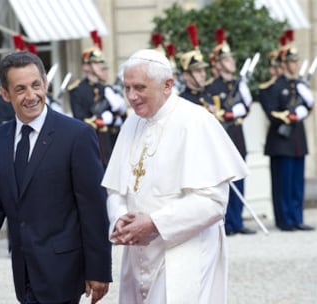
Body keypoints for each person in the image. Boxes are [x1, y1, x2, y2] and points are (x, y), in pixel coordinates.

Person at [0, 51, 112, 304]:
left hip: (64, 269)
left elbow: (94, 208)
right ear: (5, 94)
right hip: (22, 269)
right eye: (20, 89)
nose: (31, 96)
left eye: (36, 85)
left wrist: (99, 270)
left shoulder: (76, 135)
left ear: (45, 83)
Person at [102, 49, 248, 303]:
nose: (131, 97)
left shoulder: (195, 121)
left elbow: (213, 202)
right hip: (138, 252)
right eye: (126, 88)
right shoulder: (131, 123)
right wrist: (119, 219)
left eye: (139, 87)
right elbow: (115, 189)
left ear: (167, 85)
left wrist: (154, 222)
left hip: (184, 252)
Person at [259, 30, 315, 231]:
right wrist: (290, 115)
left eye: (296, 61)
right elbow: (271, 111)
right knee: (282, 183)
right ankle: (284, 220)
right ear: (283, 64)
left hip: (297, 140)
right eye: (291, 62)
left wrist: (301, 110)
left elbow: (308, 107)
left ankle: (296, 217)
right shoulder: (272, 87)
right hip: (281, 141)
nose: (295, 65)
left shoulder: (298, 85)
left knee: (296, 183)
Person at [206, 28, 256, 236]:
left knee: (239, 177)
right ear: (217, 63)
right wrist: (226, 113)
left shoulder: (239, 84)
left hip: (236, 134)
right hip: (221, 136)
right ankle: (225, 222)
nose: (231, 62)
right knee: (223, 180)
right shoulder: (211, 87)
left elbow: (246, 105)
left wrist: (230, 112)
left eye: (231, 58)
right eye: (226, 59)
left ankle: (237, 221)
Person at [69, 46, 126, 168]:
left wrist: (116, 115)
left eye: (100, 62)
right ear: (86, 67)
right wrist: (98, 121)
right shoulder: (77, 90)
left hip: (111, 143)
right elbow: (79, 117)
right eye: (95, 62)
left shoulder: (106, 89)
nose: (100, 66)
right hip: (91, 143)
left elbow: (120, 116)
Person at [179, 24, 216, 113]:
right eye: (198, 71)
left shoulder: (208, 96)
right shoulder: (181, 102)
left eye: (203, 70)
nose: (203, 74)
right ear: (186, 75)